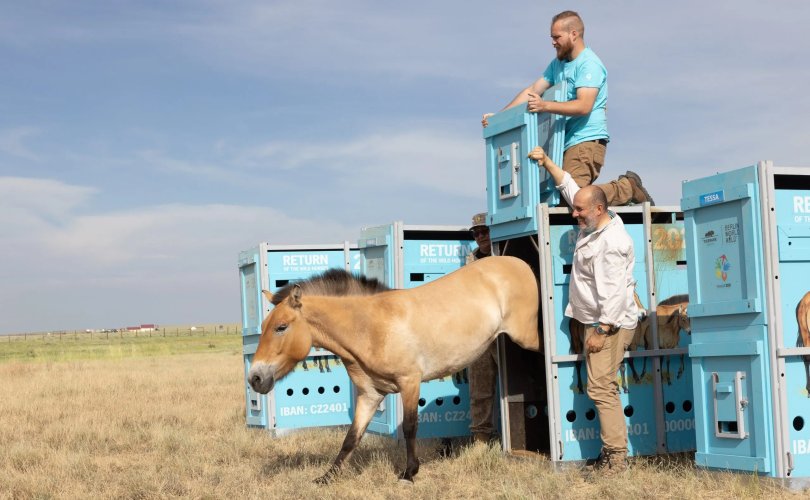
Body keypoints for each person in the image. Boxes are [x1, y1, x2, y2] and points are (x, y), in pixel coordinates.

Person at [528, 145, 639, 476]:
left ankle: (616, 459)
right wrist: (547, 161)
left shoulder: (611, 244)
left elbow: (614, 294)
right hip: (593, 319)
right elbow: (570, 188)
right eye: (575, 210)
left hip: (609, 323)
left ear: (600, 209)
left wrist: (602, 331)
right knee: (599, 385)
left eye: (579, 212)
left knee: (601, 387)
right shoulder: (594, 217)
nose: (573, 214)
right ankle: (611, 454)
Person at [482, 10, 654, 206]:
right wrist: (499, 117)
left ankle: (627, 187)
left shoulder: (589, 64)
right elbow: (532, 90)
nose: (553, 42)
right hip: (563, 141)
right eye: (551, 37)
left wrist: (544, 105)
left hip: (586, 140)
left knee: (575, 197)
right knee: (560, 198)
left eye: (557, 37)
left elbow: (584, 106)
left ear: (574, 34)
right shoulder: (558, 64)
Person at [466, 212, 498, 444]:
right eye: (476, 233)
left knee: (519, 383)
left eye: (484, 231)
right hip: (480, 334)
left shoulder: (505, 254)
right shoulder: (470, 261)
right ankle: (481, 439)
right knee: (480, 388)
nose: (480, 236)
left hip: (507, 332)